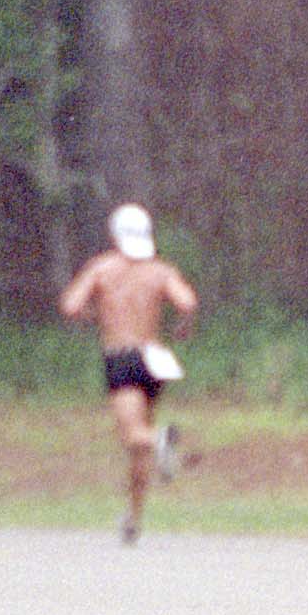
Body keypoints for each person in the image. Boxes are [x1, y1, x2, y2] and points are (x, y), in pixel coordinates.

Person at [59, 203, 199, 542]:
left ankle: (159, 439)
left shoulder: (102, 268)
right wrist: (183, 326)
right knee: (139, 448)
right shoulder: (160, 271)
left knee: (134, 436)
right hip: (154, 359)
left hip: (122, 358)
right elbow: (187, 303)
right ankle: (134, 517)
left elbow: (71, 306)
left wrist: (95, 316)